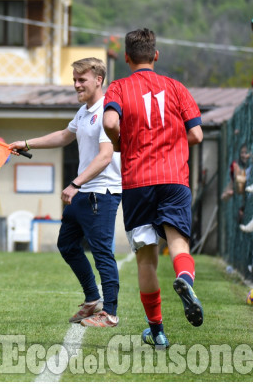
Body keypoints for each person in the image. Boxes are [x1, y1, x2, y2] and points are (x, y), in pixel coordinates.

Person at [103, 28, 204, 348]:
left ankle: (157, 331)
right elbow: (198, 135)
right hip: (174, 178)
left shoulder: (118, 87)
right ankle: (185, 280)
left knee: (146, 259)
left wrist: (120, 142)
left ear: (127, 57)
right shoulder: (176, 88)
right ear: (156, 56)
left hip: (137, 181)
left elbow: (108, 123)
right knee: (178, 243)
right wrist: (174, 142)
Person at [9, 58, 122, 327]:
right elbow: (63, 136)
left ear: (98, 80)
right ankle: (93, 299)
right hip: (84, 191)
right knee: (67, 245)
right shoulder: (84, 111)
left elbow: (106, 156)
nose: (76, 84)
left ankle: (110, 313)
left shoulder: (107, 110)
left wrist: (75, 183)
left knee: (102, 252)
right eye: (74, 79)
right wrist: (25, 142)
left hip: (100, 192)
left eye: (81, 79)